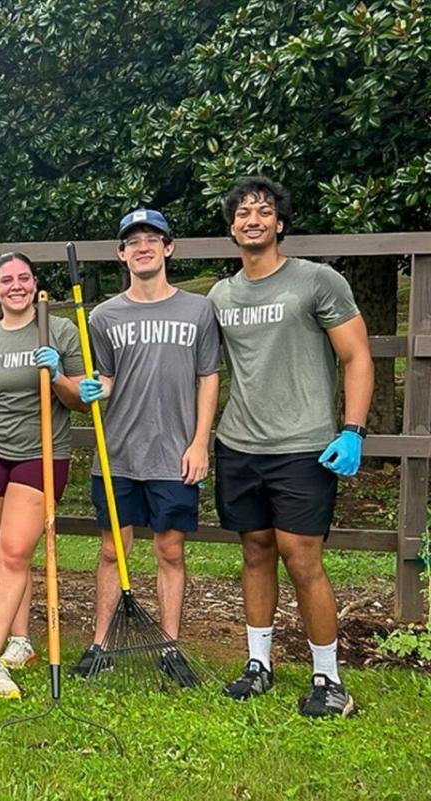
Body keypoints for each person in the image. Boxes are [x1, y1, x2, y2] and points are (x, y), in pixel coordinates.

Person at [209, 176, 373, 717]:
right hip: (239, 444)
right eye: (242, 214)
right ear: (231, 227)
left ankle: (328, 679)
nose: (251, 220)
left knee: (303, 559)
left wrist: (353, 431)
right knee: (255, 551)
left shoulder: (316, 281)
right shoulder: (220, 295)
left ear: (280, 223)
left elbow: (357, 357)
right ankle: (260, 664)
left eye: (262, 211)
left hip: (303, 446)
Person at [69, 209, 220, 686]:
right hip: (118, 453)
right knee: (113, 550)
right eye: (133, 242)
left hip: (174, 452)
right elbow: (109, 378)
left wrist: (200, 442)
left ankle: (169, 646)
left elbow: (208, 378)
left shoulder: (198, 310)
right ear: (122, 254)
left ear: (169, 248)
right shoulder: (104, 315)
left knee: (170, 550)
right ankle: (100, 644)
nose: (143, 247)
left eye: (152, 239)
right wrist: (94, 387)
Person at [0, 253, 86, 698]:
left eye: (23, 278)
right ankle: (22, 641)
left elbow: (80, 401)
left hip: (41, 454)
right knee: (10, 554)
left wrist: (59, 376)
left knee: (12, 553)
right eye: (6, 280)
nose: (16, 286)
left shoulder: (58, 330)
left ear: (34, 284)